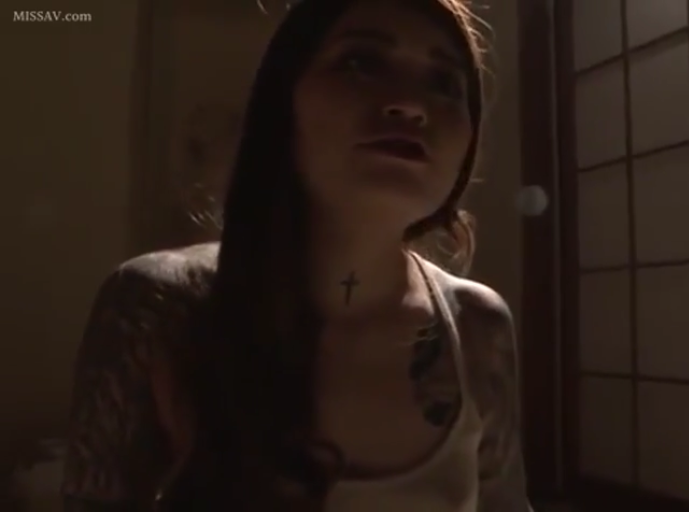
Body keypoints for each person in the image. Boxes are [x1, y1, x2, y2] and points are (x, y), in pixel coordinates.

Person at [60, 0, 534, 510]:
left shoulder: (478, 329)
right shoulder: (156, 309)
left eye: (444, 83)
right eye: (361, 62)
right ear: (283, 101)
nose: (411, 105)